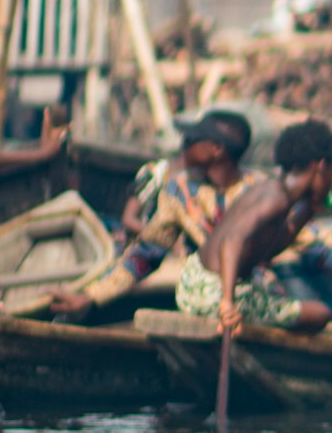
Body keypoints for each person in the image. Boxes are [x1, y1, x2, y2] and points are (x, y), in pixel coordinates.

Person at [35, 111, 246, 319]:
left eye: (193, 139)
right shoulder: (180, 191)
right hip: (206, 296)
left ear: (217, 150)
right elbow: (146, 252)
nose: (186, 144)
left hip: (245, 295)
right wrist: (89, 297)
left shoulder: (254, 190)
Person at [186, 118, 332, 334]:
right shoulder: (277, 199)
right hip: (212, 294)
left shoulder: (272, 189)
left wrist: (310, 208)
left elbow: (270, 247)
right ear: (321, 166)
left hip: (195, 282)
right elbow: (232, 240)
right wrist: (227, 303)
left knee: (278, 294)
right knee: (321, 313)